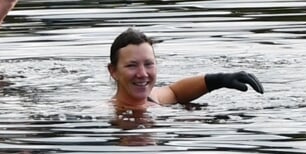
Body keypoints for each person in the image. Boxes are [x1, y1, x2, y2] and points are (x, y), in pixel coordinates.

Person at [107, 28, 262, 111]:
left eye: (148, 64)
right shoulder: (110, 114)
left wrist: (220, 80)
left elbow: (175, 92)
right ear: (113, 71)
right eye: (131, 65)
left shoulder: (153, 97)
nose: (143, 74)